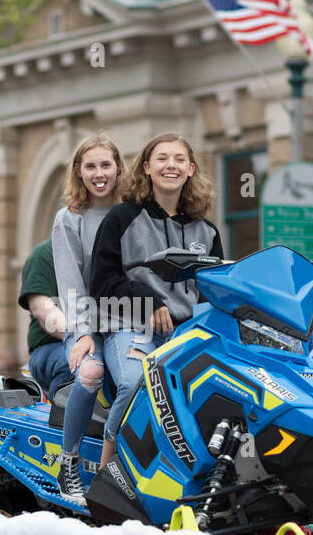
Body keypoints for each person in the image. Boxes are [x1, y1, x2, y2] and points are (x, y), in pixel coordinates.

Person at [90, 132, 223, 472]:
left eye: (179, 159)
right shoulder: (122, 217)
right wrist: (149, 303)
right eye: (162, 158)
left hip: (187, 336)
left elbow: (214, 291)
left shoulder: (206, 231)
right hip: (132, 327)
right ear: (147, 167)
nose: (171, 165)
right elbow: (102, 283)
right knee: (135, 383)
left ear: (191, 169)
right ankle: (106, 472)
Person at [52, 134, 124, 500]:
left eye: (106, 165)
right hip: (86, 325)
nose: (99, 173)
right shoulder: (69, 219)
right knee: (91, 372)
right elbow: (69, 283)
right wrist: (82, 333)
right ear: (78, 172)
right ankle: (69, 463)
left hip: (128, 322)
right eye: (90, 166)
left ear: (118, 168)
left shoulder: (130, 213)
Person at [18, 239, 70, 402]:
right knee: (74, 363)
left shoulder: (101, 251)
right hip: (51, 346)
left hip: (96, 342)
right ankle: (59, 421)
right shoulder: (44, 254)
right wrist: (81, 336)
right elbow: (41, 309)